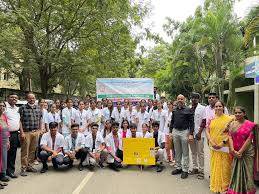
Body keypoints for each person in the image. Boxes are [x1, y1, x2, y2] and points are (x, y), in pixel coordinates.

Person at [227, 107, 258, 194]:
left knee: (248, 173)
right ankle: (236, 190)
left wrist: (240, 152)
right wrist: (233, 150)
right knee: (235, 172)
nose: (237, 114)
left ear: (244, 114)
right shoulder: (232, 124)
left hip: (247, 152)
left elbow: (249, 138)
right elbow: (229, 136)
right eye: (235, 112)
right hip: (235, 151)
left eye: (239, 112)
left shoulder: (250, 125)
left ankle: (248, 191)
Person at [206, 101, 233, 193]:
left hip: (224, 145)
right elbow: (207, 130)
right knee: (215, 164)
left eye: (220, 106)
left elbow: (231, 133)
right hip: (214, 144)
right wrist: (211, 141)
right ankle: (215, 183)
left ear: (223, 107)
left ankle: (225, 186)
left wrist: (222, 142)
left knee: (225, 165)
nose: (218, 108)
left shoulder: (229, 119)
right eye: (216, 106)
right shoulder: (211, 118)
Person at [170, 94, 194, 179]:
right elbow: (172, 121)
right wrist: (170, 132)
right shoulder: (174, 110)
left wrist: (191, 134)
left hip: (184, 132)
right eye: (178, 99)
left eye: (181, 99)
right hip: (175, 131)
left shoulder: (188, 110)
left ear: (184, 100)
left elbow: (192, 123)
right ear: (176, 100)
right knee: (177, 151)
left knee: (185, 151)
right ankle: (178, 167)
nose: (180, 100)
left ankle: (185, 170)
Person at [19, 92, 42, 176]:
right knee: (25, 151)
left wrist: (40, 130)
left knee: (32, 151)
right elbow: (19, 121)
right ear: (27, 99)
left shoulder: (38, 108)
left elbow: (40, 119)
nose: (32, 99)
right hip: (26, 132)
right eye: (30, 98)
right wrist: (21, 132)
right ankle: (23, 168)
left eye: (33, 98)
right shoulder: (22, 108)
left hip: (35, 132)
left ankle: (29, 166)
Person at [189, 93, 206, 179]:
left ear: (199, 99)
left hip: (200, 134)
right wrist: (190, 134)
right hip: (191, 134)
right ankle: (195, 168)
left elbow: (204, 121)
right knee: (193, 152)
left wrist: (199, 133)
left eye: (196, 98)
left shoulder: (203, 108)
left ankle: (201, 171)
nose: (194, 99)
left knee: (200, 153)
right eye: (192, 98)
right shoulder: (190, 109)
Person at [5, 94, 20, 178]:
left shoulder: (17, 109)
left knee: (13, 153)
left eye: (15, 97)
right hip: (5, 134)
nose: (14, 98)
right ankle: (3, 172)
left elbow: (19, 121)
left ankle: (10, 171)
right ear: (8, 98)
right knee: (4, 153)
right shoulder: (4, 108)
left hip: (15, 134)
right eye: (12, 97)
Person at [0, 102, 10, 182]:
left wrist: (8, 141)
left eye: (3, 106)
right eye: (0, 106)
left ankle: (2, 174)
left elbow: (7, 129)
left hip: (4, 140)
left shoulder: (4, 116)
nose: (1, 107)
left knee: (4, 158)